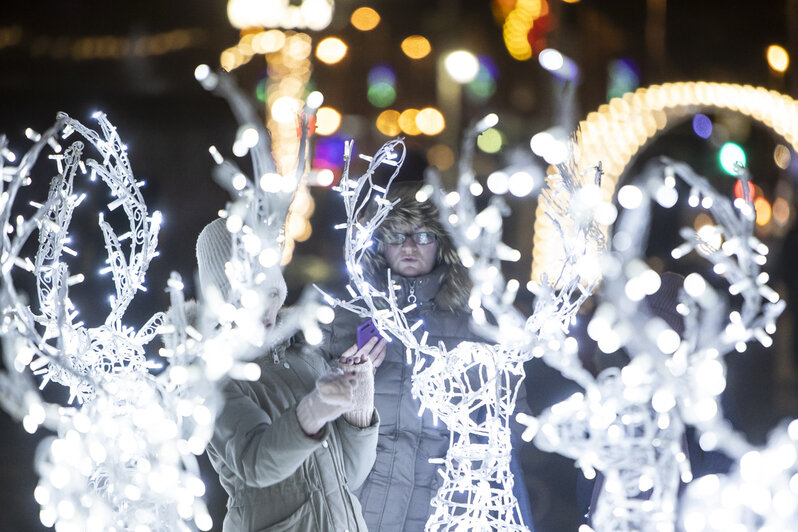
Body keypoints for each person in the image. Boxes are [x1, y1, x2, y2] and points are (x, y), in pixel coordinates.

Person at [320, 183, 535, 531]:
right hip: (361, 510)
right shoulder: (346, 319)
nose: (408, 246)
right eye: (396, 235)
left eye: (422, 236)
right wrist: (342, 379)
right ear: (379, 244)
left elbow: (511, 422)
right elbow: (308, 412)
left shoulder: (480, 324)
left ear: (442, 244)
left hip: (444, 512)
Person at [196, 218, 384, 532]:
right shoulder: (216, 379)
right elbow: (256, 463)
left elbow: (350, 476)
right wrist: (313, 411)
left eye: (270, 293)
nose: (264, 309)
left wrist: (358, 404)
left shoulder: (304, 358)